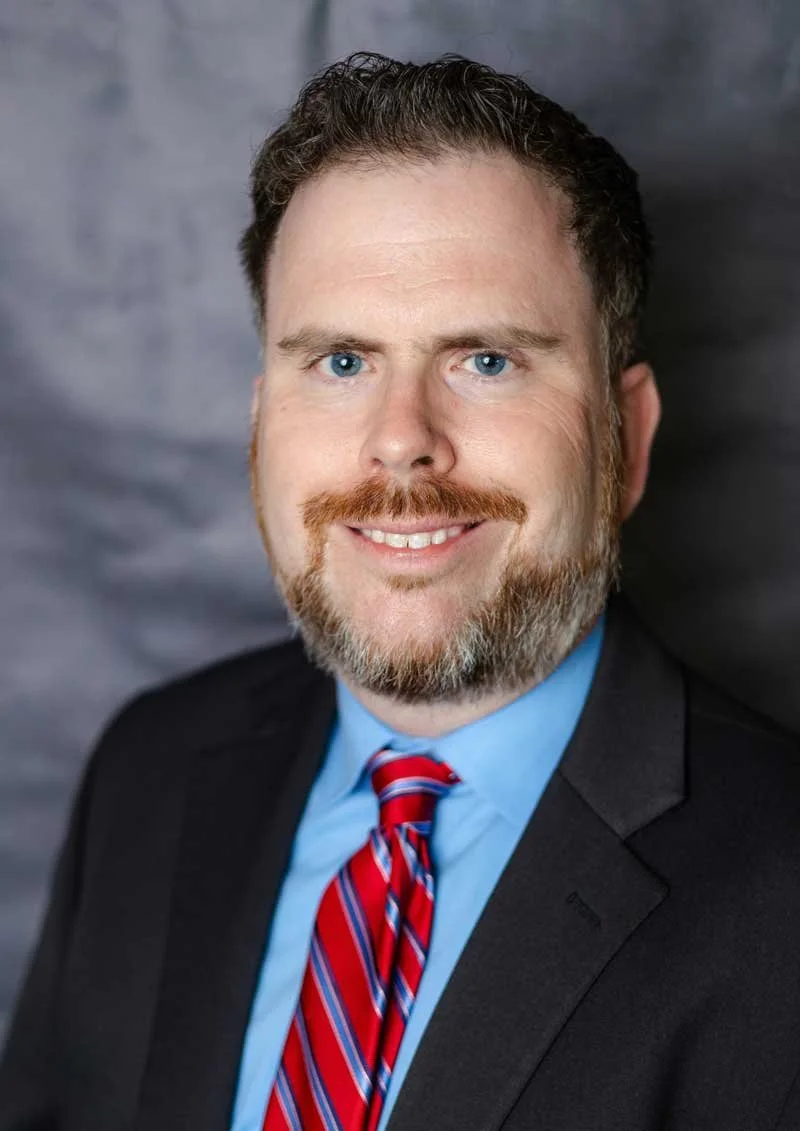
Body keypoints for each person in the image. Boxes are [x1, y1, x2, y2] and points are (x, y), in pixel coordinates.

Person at [1, 51, 799, 1131]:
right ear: (257, 429)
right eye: (338, 363)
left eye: (485, 361)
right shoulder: (150, 776)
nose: (400, 444)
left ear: (628, 438)